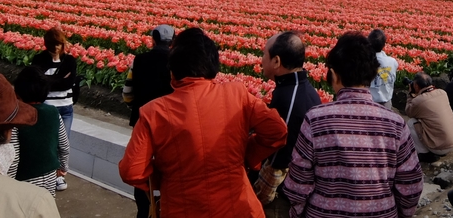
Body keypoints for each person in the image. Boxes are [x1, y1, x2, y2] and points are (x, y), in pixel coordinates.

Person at [119, 28, 288, 218]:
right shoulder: (237, 94)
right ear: (214, 67)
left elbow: (131, 171)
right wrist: (245, 155)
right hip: (239, 208)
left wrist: (165, 176)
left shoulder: (154, 112)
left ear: (172, 72)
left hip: (181, 208)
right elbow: (277, 131)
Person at [284, 32, 423, 218]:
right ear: (372, 74)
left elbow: (298, 183)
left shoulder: (315, 119)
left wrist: (298, 213)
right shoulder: (396, 123)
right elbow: (411, 185)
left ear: (333, 74)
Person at [0, 70, 61, 218]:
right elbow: (63, 144)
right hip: (48, 178)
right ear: (6, 132)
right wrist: (63, 165)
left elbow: (16, 158)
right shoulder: (35, 203)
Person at [255, 31, 321, 217]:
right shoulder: (301, 89)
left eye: (264, 54)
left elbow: (280, 157)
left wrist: (260, 194)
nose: (261, 60)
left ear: (276, 61)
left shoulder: (290, 97)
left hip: (284, 196)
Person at [121, 24, 175, 217]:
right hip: (172, 127)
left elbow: (127, 94)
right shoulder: (178, 63)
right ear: (173, 41)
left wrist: (138, 107)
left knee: (141, 165)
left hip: (142, 123)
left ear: (154, 39)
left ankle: (145, 209)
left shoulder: (140, 60)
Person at [31, 27, 76, 191]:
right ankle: (47, 174)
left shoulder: (69, 60)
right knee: (48, 142)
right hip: (46, 109)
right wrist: (57, 79)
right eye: (53, 44)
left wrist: (49, 80)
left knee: (63, 144)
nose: (57, 47)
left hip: (66, 107)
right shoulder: (39, 60)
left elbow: (68, 83)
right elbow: (37, 82)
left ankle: (59, 176)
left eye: (59, 44)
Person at [13, 66, 70, 196]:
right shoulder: (53, 112)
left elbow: (14, 155)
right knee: (45, 207)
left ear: (17, 92)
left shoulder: (16, 117)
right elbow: (64, 146)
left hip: (24, 177)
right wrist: (63, 167)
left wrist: (7, 180)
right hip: (49, 175)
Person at [405, 72, 453, 163]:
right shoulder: (442, 93)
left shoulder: (418, 101)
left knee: (411, 122)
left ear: (415, 85)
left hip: (438, 148)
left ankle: (425, 154)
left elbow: (409, 112)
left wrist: (410, 94)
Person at [368, 29, 399, 109]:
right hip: (386, 102)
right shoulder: (392, 61)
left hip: (370, 102)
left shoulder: (364, 62)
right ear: (384, 44)